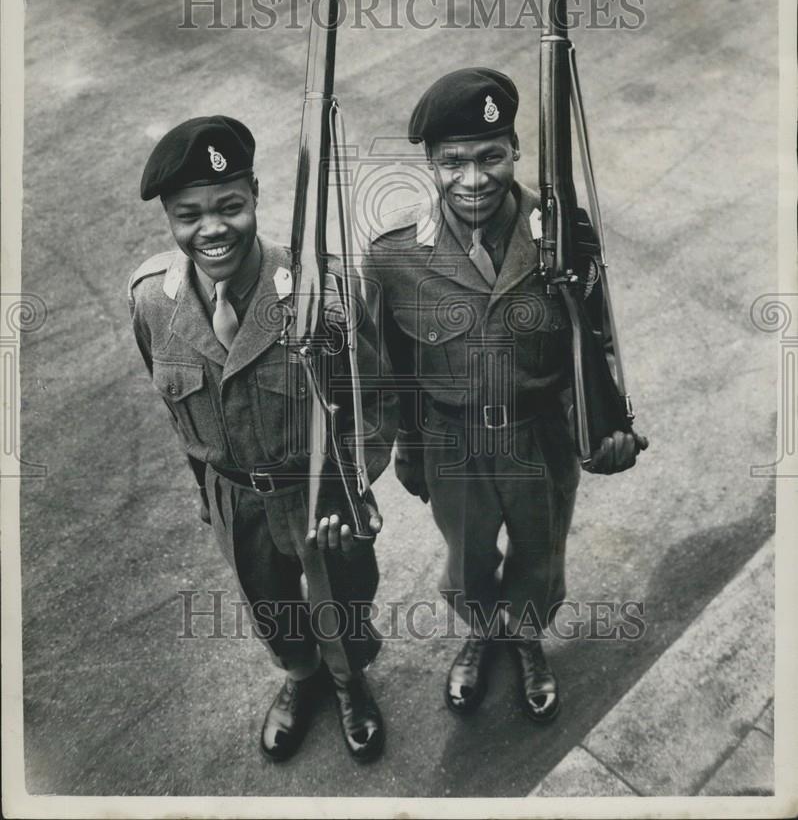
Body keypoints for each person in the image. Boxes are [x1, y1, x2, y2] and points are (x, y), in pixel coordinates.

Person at [362, 68, 646, 722]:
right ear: (429, 164)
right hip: (450, 437)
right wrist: (407, 451)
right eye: (452, 162)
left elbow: (593, 337)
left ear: (515, 151)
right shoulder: (394, 256)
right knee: (467, 551)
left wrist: (607, 424)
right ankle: (481, 631)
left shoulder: (561, 233)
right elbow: (394, 370)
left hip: (540, 433)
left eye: (490, 156)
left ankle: (524, 636)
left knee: (540, 548)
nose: (473, 179)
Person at [128, 115, 394, 762]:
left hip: (316, 492)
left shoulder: (316, 293)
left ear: (254, 195)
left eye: (230, 206)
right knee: (266, 599)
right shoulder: (152, 302)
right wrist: (209, 498)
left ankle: (348, 677)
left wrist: (353, 491)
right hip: (235, 497)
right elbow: (179, 414)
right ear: (169, 217)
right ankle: (302, 677)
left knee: (343, 593)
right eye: (189, 215)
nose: (212, 228)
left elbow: (377, 401)